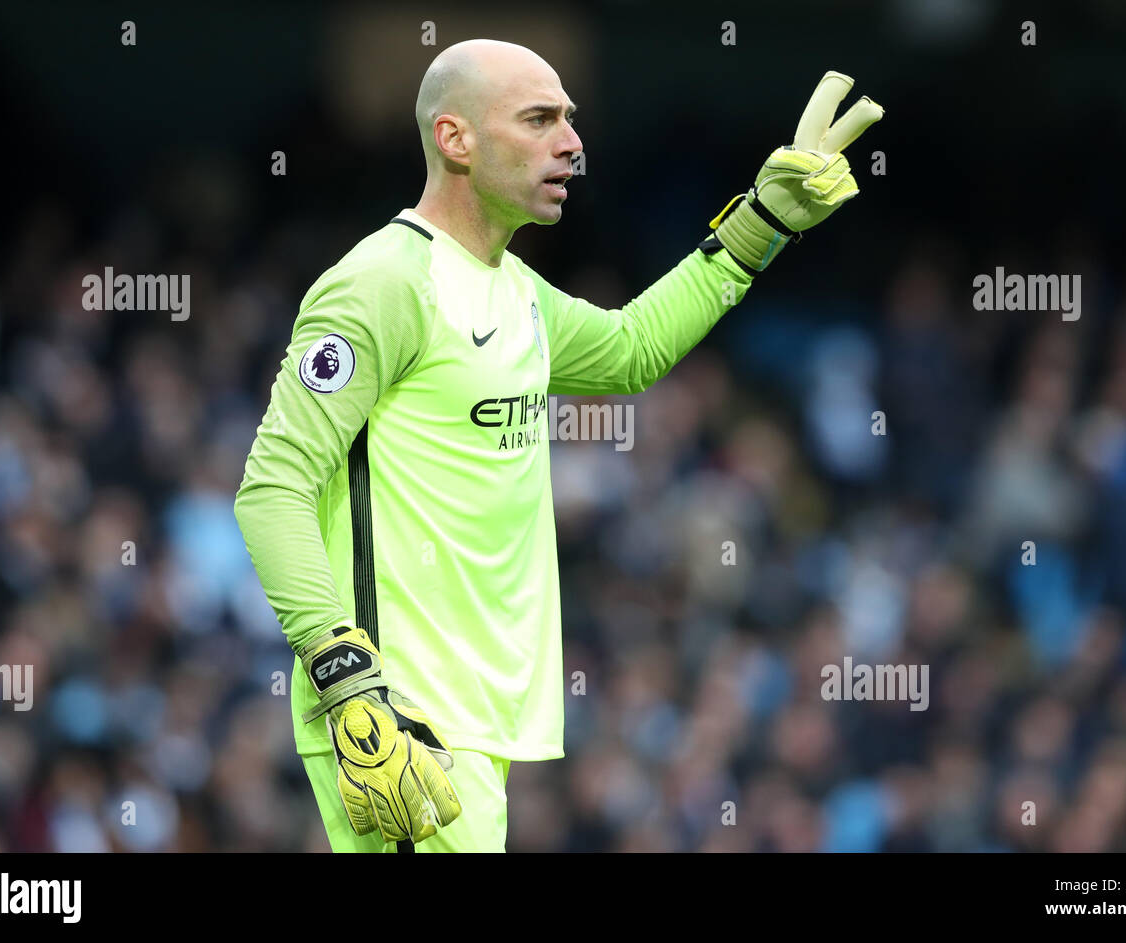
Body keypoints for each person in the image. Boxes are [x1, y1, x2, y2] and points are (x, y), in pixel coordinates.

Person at [234, 38, 881, 853]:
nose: (571, 143)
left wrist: (764, 218)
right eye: (539, 120)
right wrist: (348, 681)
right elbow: (272, 488)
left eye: (569, 120)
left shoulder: (513, 288)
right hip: (401, 715)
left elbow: (629, 350)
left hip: (477, 717)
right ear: (455, 138)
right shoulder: (383, 283)